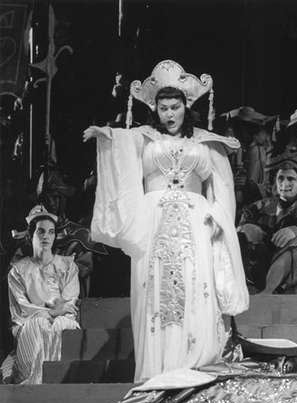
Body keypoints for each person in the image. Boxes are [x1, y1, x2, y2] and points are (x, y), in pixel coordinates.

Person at [83, 60, 249, 383]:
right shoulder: (144, 137)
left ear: (186, 106)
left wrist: (218, 218)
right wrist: (106, 136)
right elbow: (122, 145)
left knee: (195, 288)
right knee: (154, 291)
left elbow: (222, 187)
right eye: (163, 108)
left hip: (196, 223)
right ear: (155, 109)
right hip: (155, 222)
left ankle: (194, 364)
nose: (170, 115)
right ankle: (158, 371)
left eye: (175, 107)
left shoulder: (205, 141)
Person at [0, 205, 80, 384]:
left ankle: (55, 384)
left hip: (63, 322)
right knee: (38, 324)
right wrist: (50, 312)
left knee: (61, 324)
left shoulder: (67, 266)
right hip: (30, 324)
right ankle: (34, 387)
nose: (46, 236)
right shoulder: (18, 270)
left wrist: (57, 313)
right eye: (40, 231)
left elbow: (69, 302)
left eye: (51, 232)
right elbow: (20, 309)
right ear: (30, 235)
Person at [237, 150, 297, 294]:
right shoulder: (260, 206)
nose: (284, 184)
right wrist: (245, 228)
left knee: (296, 242)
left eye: (291, 179)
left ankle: (267, 292)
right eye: (280, 178)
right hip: (261, 264)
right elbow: (242, 223)